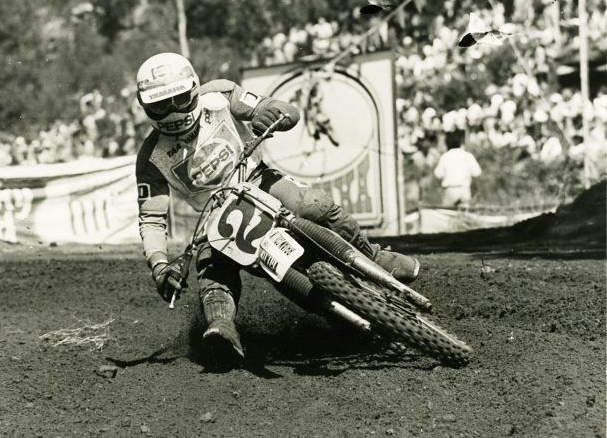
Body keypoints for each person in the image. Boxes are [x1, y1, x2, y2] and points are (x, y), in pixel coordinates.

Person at [134, 52, 420, 364]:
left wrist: (270, 113)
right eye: (161, 104)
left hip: (258, 180)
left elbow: (285, 110)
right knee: (211, 269)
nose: (172, 111)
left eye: (178, 99)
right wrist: (160, 265)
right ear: (145, 105)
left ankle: (373, 255)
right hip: (214, 218)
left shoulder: (219, 96)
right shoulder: (151, 158)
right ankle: (222, 326)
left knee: (311, 205)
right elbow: (151, 219)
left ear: (193, 88)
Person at [433, 129, 482, 209]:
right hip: (464, 189)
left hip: (450, 190)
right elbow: (477, 172)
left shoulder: (445, 156)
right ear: (461, 143)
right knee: (464, 217)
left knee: (447, 215)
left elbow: (438, 174)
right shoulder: (468, 156)